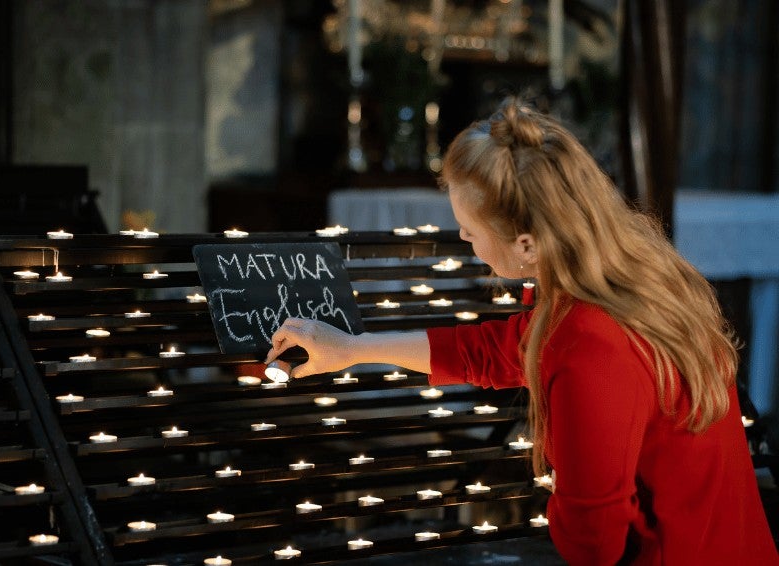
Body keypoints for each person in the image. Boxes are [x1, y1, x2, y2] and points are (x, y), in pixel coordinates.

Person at [266, 97, 778, 565]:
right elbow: (493, 350)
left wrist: (556, 480)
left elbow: (593, 541)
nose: (466, 241)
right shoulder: (637, 279)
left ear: (528, 245)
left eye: (470, 231)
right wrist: (353, 349)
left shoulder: (590, 344)